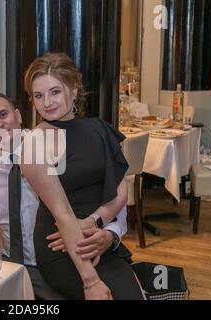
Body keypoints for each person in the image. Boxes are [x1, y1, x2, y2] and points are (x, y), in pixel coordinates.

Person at [0, 92, 129, 299]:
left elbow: (112, 201)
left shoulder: (59, 154)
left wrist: (111, 233)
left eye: (3, 114)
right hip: (11, 269)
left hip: (66, 262)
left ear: (18, 115)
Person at [21, 52, 145, 300]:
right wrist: (90, 281)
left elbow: (121, 190)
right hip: (62, 246)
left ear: (74, 90)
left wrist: (95, 222)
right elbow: (63, 213)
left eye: (55, 92)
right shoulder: (34, 143)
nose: (47, 102)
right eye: (38, 95)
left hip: (98, 237)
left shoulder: (98, 129)